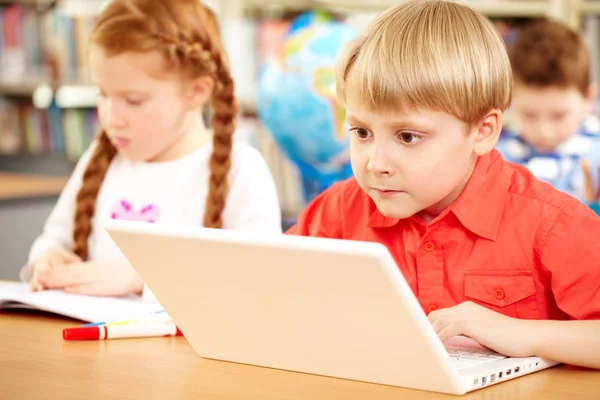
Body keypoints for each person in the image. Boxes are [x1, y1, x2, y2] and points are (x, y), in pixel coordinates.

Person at [287, 0, 600, 369]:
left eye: (407, 136)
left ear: (483, 132)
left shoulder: (552, 224)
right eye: (362, 132)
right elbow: (270, 297)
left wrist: (522, 333)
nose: (376, 163)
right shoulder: (337, 210)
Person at [21, 0, 282, 298]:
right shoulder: (102, 158)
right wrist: (48, 258)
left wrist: (140, 279)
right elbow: (54, 238)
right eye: (103, 94)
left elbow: (258, 282)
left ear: (197, 91)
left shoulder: (242, 168)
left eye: (133, 100)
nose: (110, 117)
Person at [496, 18, 600, 202]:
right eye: (529, 115)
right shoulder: (498, 156)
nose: (545, 131)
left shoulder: (596, 155)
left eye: (559, 116)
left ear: (588, 98)